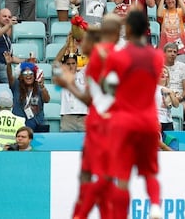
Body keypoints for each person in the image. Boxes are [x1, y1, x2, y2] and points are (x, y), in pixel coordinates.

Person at [54, 14, 121, 219]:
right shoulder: (70, 71)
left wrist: (79, 39)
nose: (72, 64)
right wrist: (69, 44)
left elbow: (93, 60)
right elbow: (58, 61)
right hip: (79, 119)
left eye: (74, 62)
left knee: (90, 164)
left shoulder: (93, 68)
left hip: (93, 120)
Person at [103, 10, 165, 219]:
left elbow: (106, 85)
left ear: (127, 29)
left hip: (125, 121)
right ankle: (155, 206)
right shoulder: (157, 56)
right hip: (148, 120)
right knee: (149, 171)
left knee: (122, 176)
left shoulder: (117, 56)